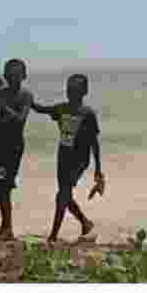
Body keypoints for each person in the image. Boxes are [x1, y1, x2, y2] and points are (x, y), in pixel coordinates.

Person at [31, 73, 105, 245]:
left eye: (75, 91)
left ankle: (53, 237)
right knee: (65, 196)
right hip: (63, 157)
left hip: (79, 160)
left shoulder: (88, 114)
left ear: (84, 92)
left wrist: (98, 169)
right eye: (69, 90)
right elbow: (40, 109)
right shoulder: (61, 109)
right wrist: (26, 97)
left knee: (62, 195)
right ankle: (86, 223)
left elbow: (94, 142)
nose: (71, 94)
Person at [0, 58, 33, 242]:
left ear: (24, 76)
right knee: (2, 185)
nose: (12, 79)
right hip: (1, 145)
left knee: (0, 185)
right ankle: (6, 227)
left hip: (15, 147)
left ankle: (7, 227)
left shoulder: (25, 95)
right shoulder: (1, 92)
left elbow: (20, 120)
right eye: (9, 75)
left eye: (16, 75)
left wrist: (3, 106)